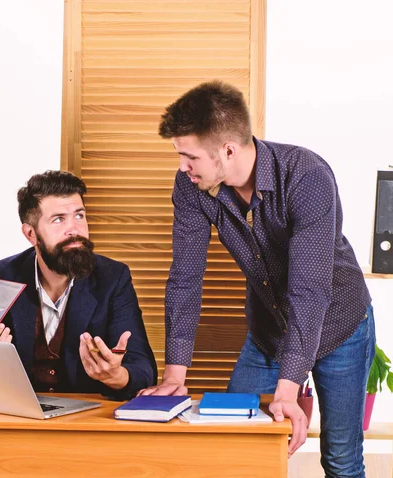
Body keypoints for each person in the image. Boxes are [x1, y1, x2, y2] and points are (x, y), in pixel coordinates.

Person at [139, 81, 374, 476]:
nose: (182, 167)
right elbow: (185, 278)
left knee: (340, 458)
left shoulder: (306, 176)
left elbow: (310, 290)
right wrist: (174, 376)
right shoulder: (192, 186)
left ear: (228, 150)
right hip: (268, 331)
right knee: (234, 443)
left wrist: (289, 388)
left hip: (339, 327)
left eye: (190, 156)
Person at [0, 170, 157, 400]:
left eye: (79, 215)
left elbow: (143, 369)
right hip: (18, 420)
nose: (74, 229)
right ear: (31, 234)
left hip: (87, 425)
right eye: (58, 219)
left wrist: (117, 376)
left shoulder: (113, 277)